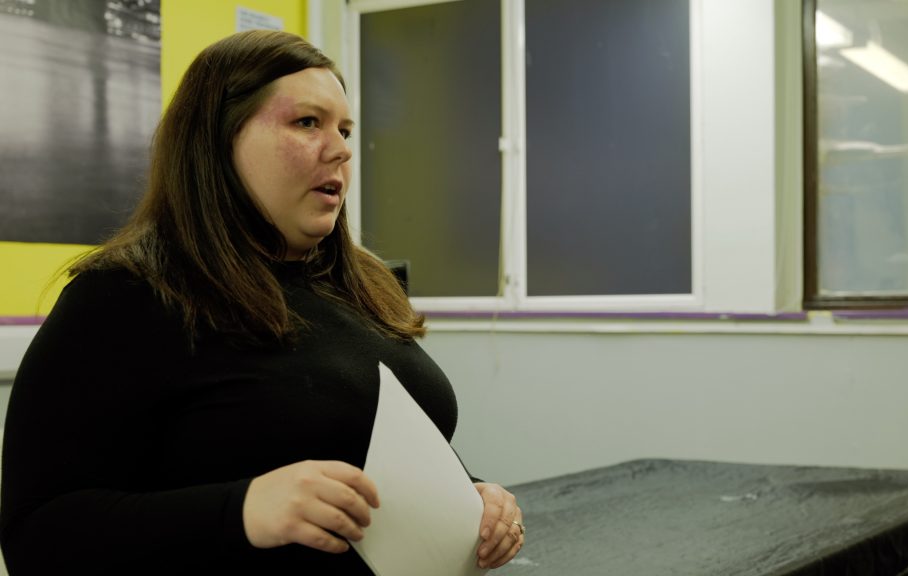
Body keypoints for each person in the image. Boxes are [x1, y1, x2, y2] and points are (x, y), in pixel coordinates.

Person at [0, 30, 524, 575]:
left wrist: (475, 496)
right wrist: (243, 511)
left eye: (345, 129)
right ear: (217, 143)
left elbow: (375, 448)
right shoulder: (124, 297)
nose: (342, 148)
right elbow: (38, 535)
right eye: (306, 123)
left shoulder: (361, 283)